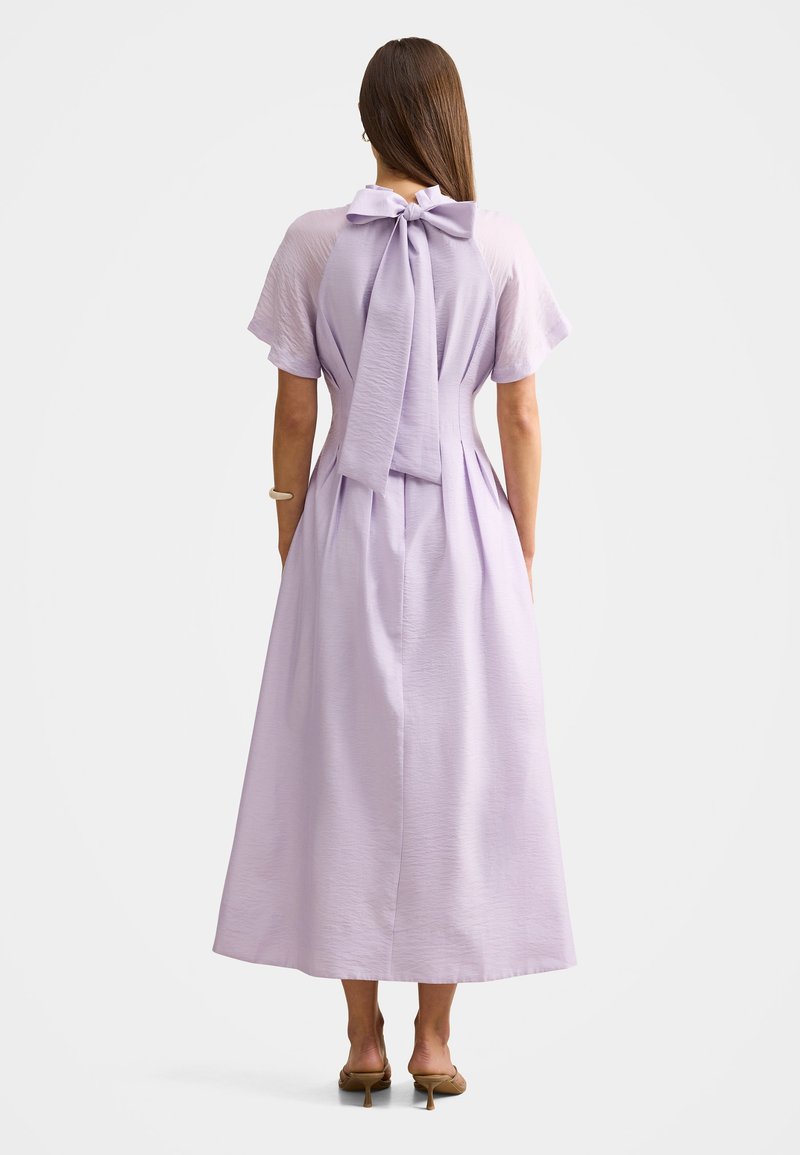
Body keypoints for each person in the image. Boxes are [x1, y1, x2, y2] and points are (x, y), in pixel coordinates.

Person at [212, 36, 577, 1110]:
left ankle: (361, 1036)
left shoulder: (312, 241)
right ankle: (435, 1039)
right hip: (465, 521)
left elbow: (293, 411)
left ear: (368, 121)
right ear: (449, 119)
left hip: (346, 517)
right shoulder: (496, 242)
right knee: (456, 771)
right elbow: (519, 411)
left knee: (346, 763)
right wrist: (522, 545)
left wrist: (290, 524)